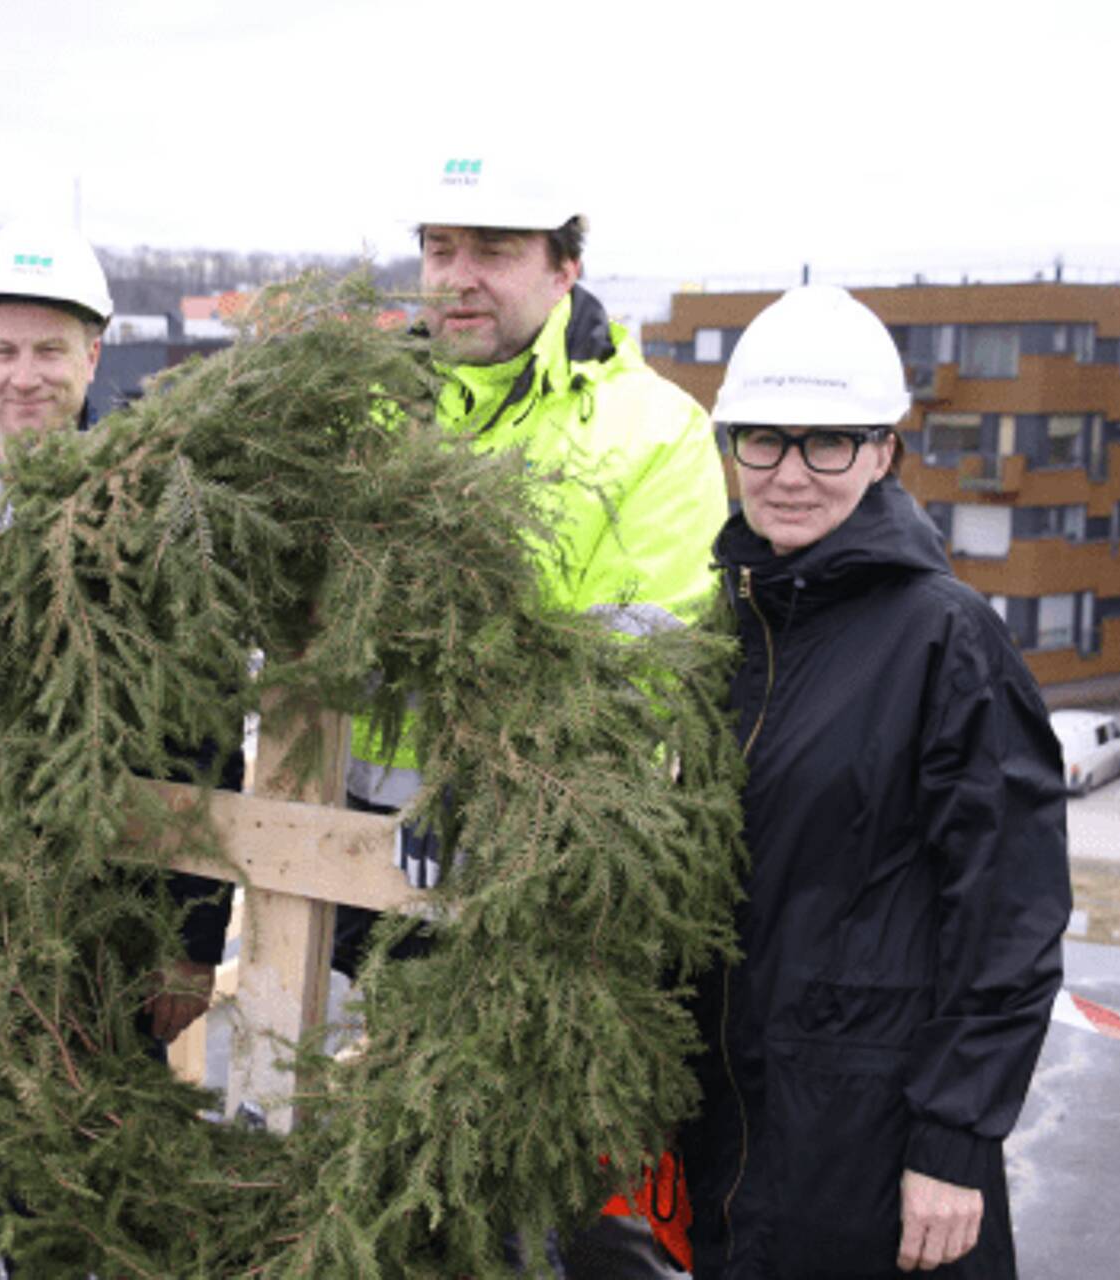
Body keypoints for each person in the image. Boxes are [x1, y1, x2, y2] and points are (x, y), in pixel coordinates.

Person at [336, 152, 731, 1274]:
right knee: (412, 1176)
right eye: (439, 247)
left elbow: (652, 656)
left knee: (545, 1203)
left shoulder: (655, 430)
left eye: (494, 252)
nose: (457, 277)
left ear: (566, 265)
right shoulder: (372, 410)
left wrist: (493, 779)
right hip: (379, 873)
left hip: (553, 889)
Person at [680, 285, 1070, 1277]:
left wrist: (953, 1140)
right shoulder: (732, 633)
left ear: (884, 451)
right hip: (735, 1129)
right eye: (763, 440)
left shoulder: (945, 638)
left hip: (875, 1146)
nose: (790, 473)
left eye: (830, 443)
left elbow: (1011, 917)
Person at [0, 220, 232, 1033]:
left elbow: (205, 734)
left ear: (93, 356)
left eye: (49, 352)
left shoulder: (154, 504)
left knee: (104, 1138)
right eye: (2, 352)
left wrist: (191, 936)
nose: (23, 378)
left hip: (111, 915)